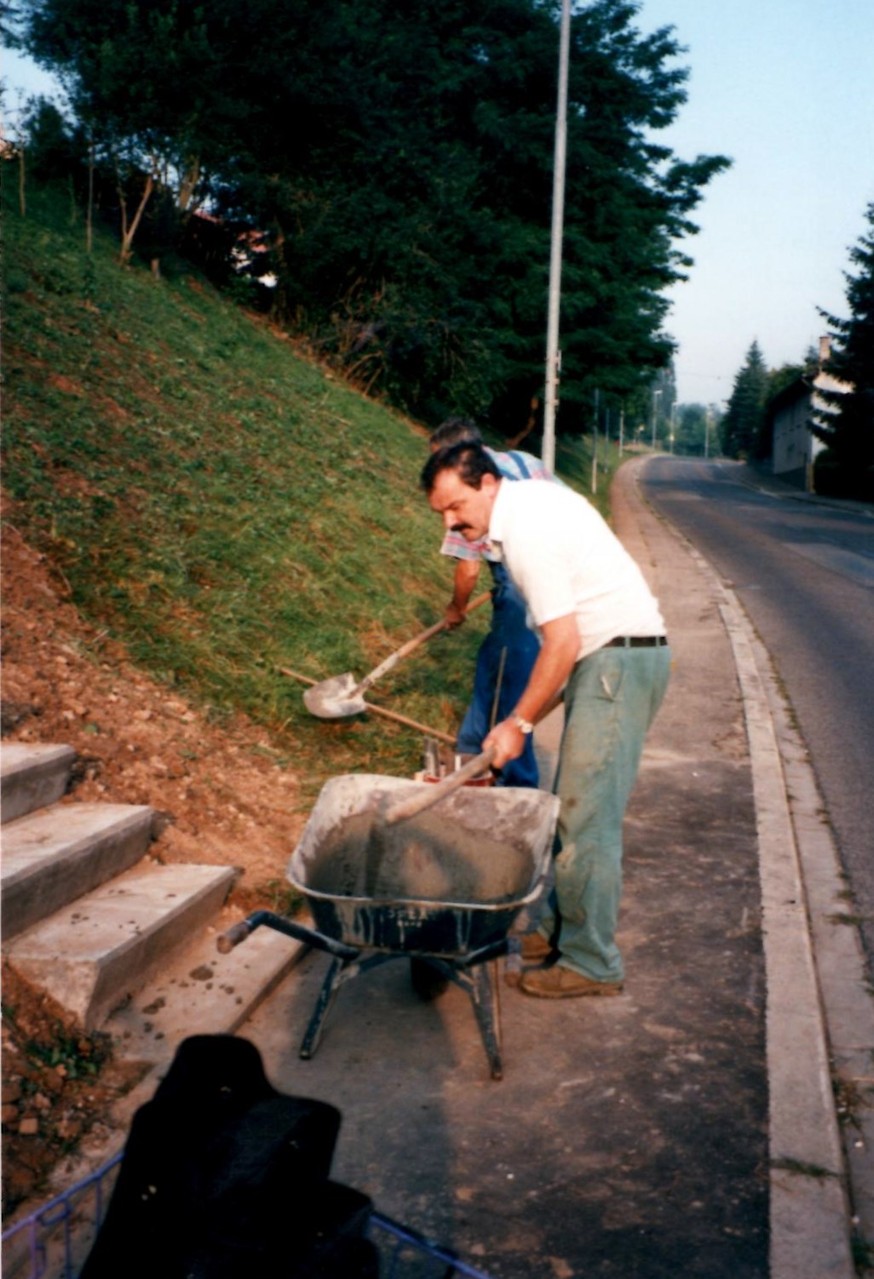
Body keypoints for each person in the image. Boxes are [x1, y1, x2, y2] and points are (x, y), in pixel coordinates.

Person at [420, 442, 671, 999]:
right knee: (575, 814)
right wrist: (520, 715)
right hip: (612, 659)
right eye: (439, 512)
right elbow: (568, 640)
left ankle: (593, 964)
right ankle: (562, 932)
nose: (450, 521)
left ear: (487, 483)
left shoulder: (526, 528)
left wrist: (519, 724)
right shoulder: (529, 507)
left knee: (588, 824)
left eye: (455, 506)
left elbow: (563, 640)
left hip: (616, 662)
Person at [428, 418, 553, 789]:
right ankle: (471, 752)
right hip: (554, 574)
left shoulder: (468, 495)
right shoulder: (525, 462)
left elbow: (467, 571)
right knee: (494, 662)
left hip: (521, 582)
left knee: (511, 678)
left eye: (439, 462)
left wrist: (456, 609)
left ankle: (513, 782)